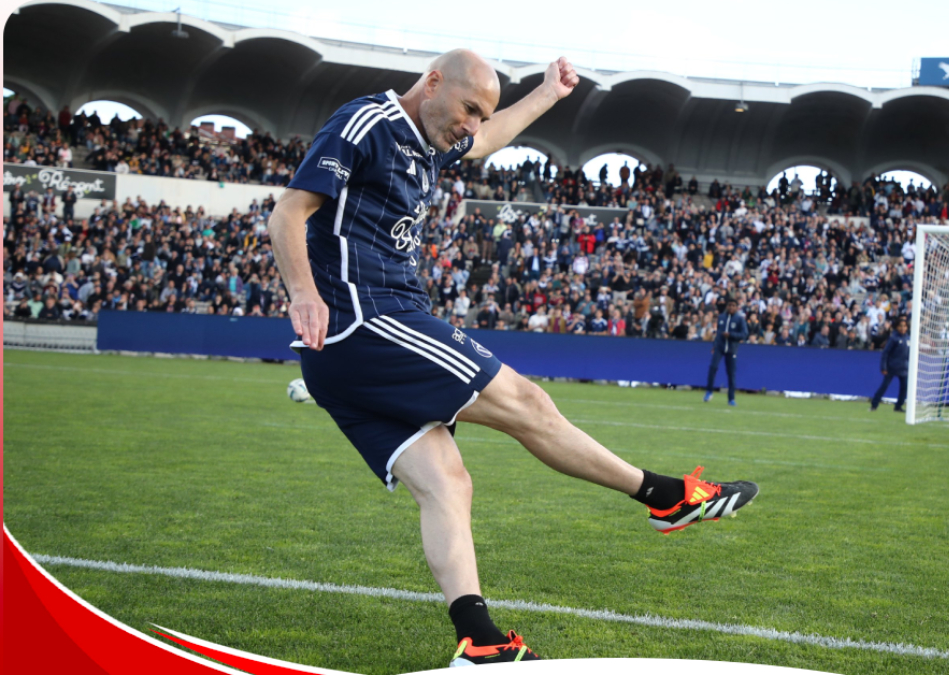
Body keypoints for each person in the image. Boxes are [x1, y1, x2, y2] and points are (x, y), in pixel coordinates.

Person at [267, 49, 758, 667]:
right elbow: (288, 211)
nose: (472, 124)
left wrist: (549, 94)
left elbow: (483, 143)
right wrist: (304, 296)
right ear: (433, 82)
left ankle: (480, 642)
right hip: (369, 321)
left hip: (354, 347)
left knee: (447, 483)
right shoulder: (367, 122)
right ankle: (665, 496)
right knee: (527, 403)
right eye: (469, 108)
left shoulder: (432, 140)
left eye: (481, 114)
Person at [703, 294, 748, 406]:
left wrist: (731, 335)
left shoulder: (739, 319)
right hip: (720, 347)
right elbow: (718, 333)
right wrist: (714, 345)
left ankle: (731, 398)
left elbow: (744, 334)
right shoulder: (722, 317)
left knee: (731, 374)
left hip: (732, 349)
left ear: (737, 307)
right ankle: (709, 391)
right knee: (713, 367)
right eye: (729, 305)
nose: (731, 307)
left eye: (733, 305)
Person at [871, 315, 910, 413]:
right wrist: (884, 367)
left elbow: (909, 354)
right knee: (884, 386)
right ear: (897, 327)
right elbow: (885, 353)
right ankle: (874, 404)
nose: (902, 328)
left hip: (904, 368)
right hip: (892, 367)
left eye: (904, 326)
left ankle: (898, 406)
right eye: (900, 326)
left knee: (904, 388)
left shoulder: (908, 338)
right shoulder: (893, 338)